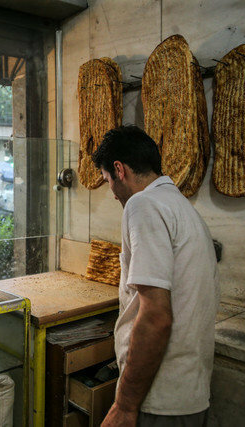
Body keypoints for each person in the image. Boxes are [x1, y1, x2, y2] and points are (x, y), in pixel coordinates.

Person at [91, 126, 219, 427]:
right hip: (189, 392)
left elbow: (156, 316)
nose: (111, 193)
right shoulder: (182, 207)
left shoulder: (142, 204)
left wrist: (124, 405)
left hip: (159, 399)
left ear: (119, 170)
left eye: (108, 180)